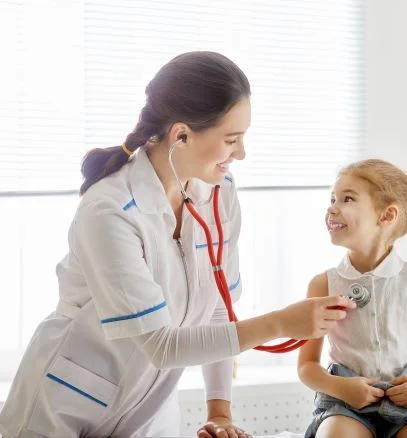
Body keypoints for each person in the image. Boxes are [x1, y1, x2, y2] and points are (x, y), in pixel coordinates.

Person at [0, 51, 355, 438]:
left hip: (147, 415)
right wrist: (281, 323)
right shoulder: (109, 211)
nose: (241, 154)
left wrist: (219, 410)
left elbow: (218, 309)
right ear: (181, 134)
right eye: (231, 140)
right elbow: (161, 345)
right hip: (64, 409)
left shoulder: (219, 193)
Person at [298, 159, 407, 438]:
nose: (332, 207)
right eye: (333, 198)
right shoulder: (324, 284)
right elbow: (307, 366)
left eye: (347, 199)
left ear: (386, 216)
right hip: (345, 405)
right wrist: (342, 388)